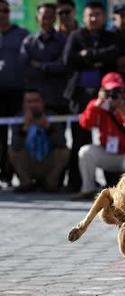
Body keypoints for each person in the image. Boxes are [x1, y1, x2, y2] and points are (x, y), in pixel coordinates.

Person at [63, 0, 118, 192]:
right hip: (80, 97)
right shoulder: (76, 35)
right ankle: (79, 183)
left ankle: (112, 182)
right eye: (90, 15)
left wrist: (88, 55)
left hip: (106, 95)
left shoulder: (110, 36)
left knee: (111, 136)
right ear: (84, 17)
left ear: (104, 17)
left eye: (97, 14)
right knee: (80, 139)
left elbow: (113, 55)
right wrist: (96, 59)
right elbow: (69, 59)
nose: (94, 18)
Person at [75, 73, 125, 200]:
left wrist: (121, 108)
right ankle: (88, 189)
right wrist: (97, 105)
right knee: (85, 152)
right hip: (106, 152)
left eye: (117, 90)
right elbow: (85, 124)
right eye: (109, 91)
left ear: (123, 90)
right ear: (103, 90)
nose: (113, 94)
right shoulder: (97, 104)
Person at [9, 89, 69, 193]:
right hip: (29, 161)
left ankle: (51, 183)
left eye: (36, 101)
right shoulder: (18, 118)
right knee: (12, 151)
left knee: (64, 152)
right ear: (23, 104)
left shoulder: (53, 117)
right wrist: (24, 128)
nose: (33, 105)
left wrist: (48, 128)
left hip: (47, 161)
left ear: (42, 102)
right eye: (29, 102)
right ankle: (25, 182)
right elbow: (15, 146)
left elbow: (62, 143)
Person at [20, 3, 69, 115]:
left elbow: (64, 65)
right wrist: (52, 66)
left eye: (50, 17)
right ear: (37, 18)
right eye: (43, 17)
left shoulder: (64, 41)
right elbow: (26, 68)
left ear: (55, 19)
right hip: (34, 100)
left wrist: (41, 65)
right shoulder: (28, 42)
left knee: (58, 131)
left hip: (58, 99)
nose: (46, 20)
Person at [0, 0, 29, 186]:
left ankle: (20, 174)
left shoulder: (22, 35)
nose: (2, 13)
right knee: (0, 136)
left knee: (19, 134)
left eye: (5, 10)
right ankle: (4, 173)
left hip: (18, 91)